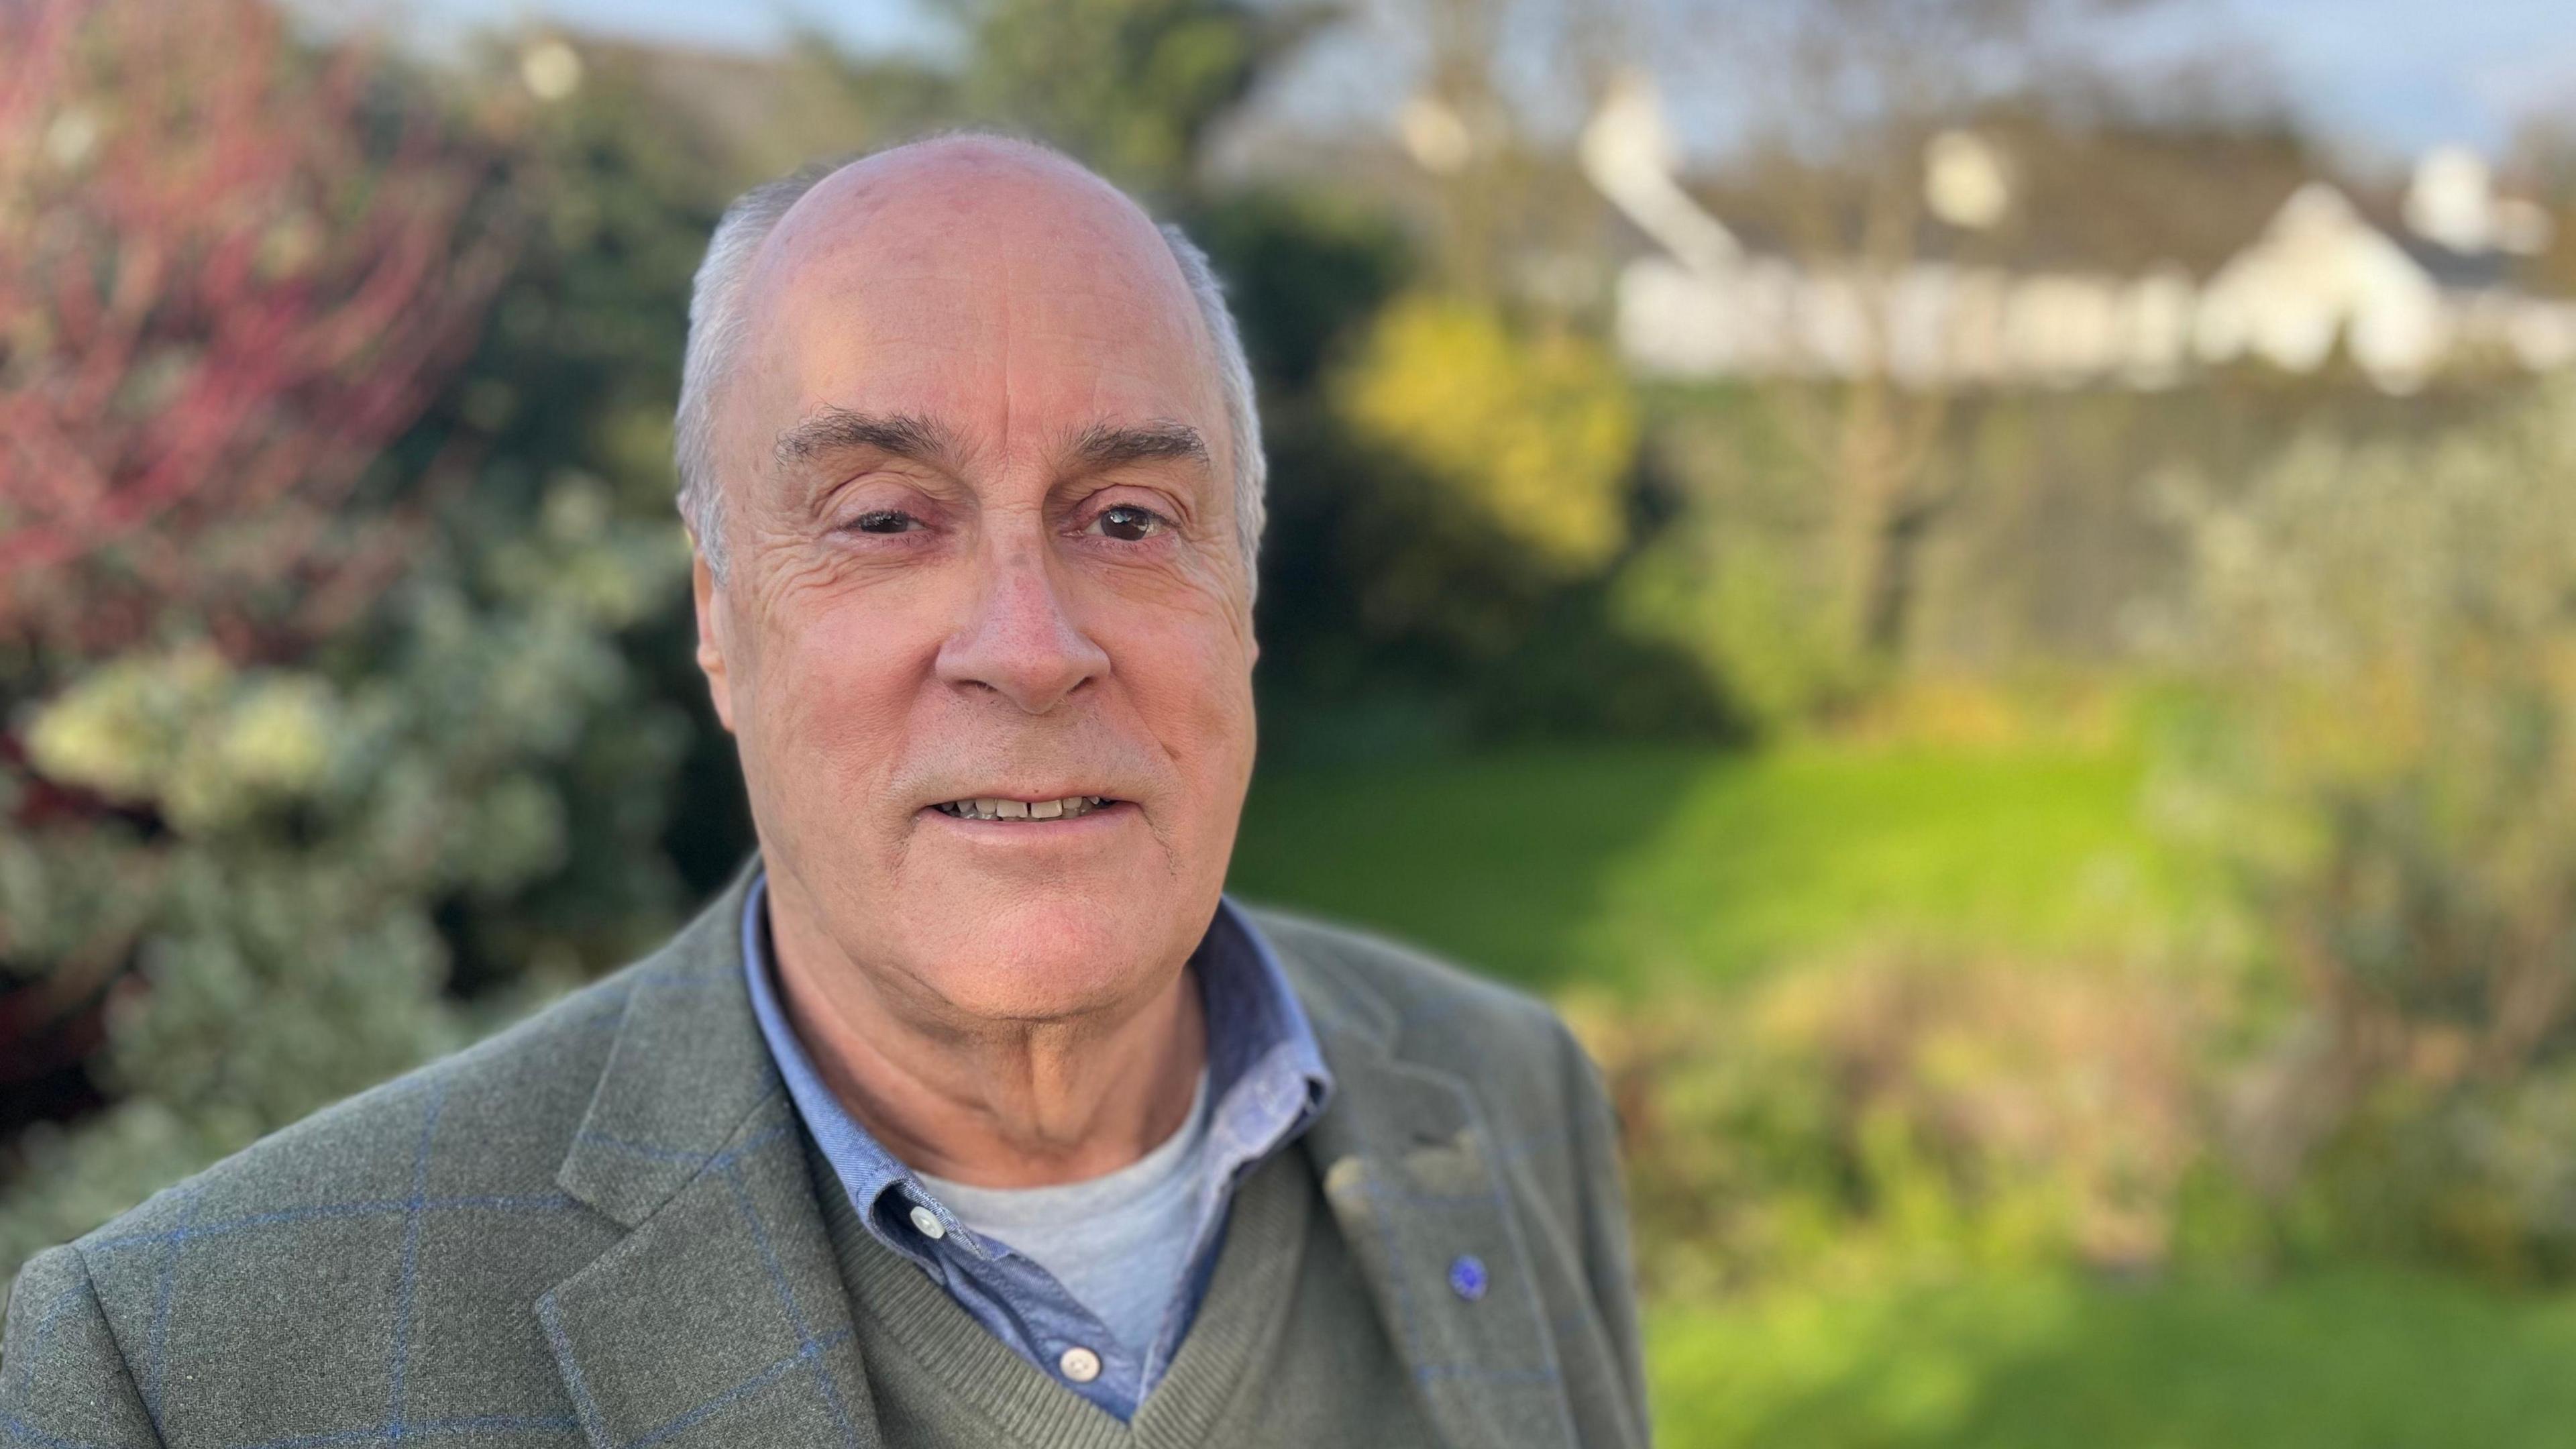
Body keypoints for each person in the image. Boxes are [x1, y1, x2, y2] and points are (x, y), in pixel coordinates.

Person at [1, 133, 1648, 1449]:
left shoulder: (1508, 1100)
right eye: (882, 518)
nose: (1031, 645)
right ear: (723, 621)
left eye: (1132, 518)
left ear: (1248, 597)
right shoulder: (186, 1376)